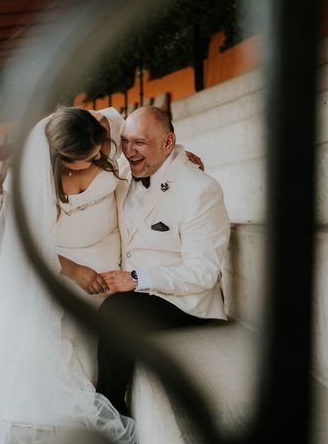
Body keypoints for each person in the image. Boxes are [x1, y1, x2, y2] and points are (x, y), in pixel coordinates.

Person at [0, 106, 138, 444]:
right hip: (63, 268)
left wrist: (181, 158)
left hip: (109, 259)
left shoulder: (107, 126)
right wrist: (74, 271)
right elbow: (29, 246)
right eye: (85, 158)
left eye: (98, 150)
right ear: (60, 159)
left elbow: (147, 140)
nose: (98, 157)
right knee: (61, 357)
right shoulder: (36, 172)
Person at [96, 105, 231, 417]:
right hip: (135, 291)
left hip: (183, 303)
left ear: (168, 143)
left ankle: (110, 417)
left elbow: (203, 273)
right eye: (125, 142)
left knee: (118, 311)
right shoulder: (121, 175)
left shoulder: (201, 190)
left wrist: (137, 279)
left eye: (139, 143)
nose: (129, 152)